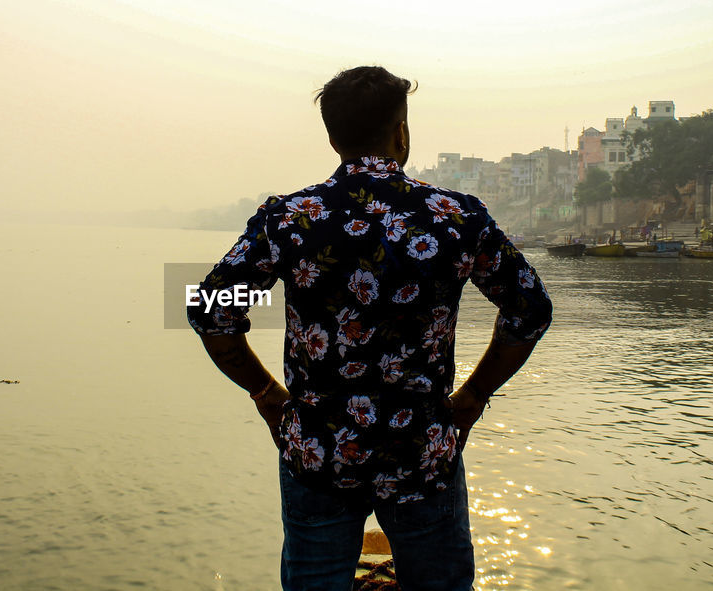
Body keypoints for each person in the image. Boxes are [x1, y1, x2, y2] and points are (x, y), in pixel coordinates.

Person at [187, 65, 552, 591]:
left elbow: (211, 312)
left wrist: (267, 393)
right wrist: (473, 396)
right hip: (423, 450)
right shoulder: (454, 217)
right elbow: (530, 311)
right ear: (401, 132)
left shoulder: (292, 220)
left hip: (317, 451)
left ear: (333, 138)